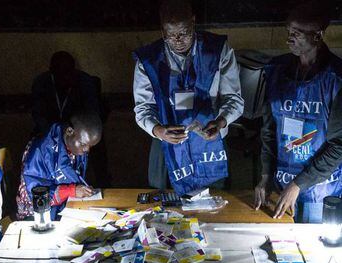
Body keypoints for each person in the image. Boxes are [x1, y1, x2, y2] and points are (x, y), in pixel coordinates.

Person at [133, 0, 243, 195]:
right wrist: (158, 130)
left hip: (210, 137)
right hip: (167, 141)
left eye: (183, 32)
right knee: (166, 200)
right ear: (162, 30)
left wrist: (221, 122)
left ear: (193, 22)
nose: (178, 40)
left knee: (215, 199)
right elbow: (143, 108)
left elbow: (234, 99)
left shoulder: (217, 50)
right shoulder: (149, 60)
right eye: (170, 34)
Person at [254, 3, 342, 222]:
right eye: (288, 32)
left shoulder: (336, 79)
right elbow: (269, 130)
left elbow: (339, 145)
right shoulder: (276, 70)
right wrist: (265, 175)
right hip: (281, 182)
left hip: (320, 189)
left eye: (297, 34)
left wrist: (298, 185)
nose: (288, 39)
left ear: (317, 36)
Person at [16, 112, 102, 220]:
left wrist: (80, 189)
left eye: (90, 146)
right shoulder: (40, 150)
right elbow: (36, 194)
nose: (87, 149)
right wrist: (71, 191)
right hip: (36, 214)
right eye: (83, 144)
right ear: (69, 131)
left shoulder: (73, 145)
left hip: (65, 205)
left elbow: (74, 176)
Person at [31, 50, 101, 136]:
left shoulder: (85, 82)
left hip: (78, 133)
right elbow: (39, 115)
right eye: (60, 73)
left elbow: (91, 115)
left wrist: (70, 133)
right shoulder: (41, 83)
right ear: (52, 71)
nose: (65, 77)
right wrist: (55, 134)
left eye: (68, 72)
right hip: (49, 132)